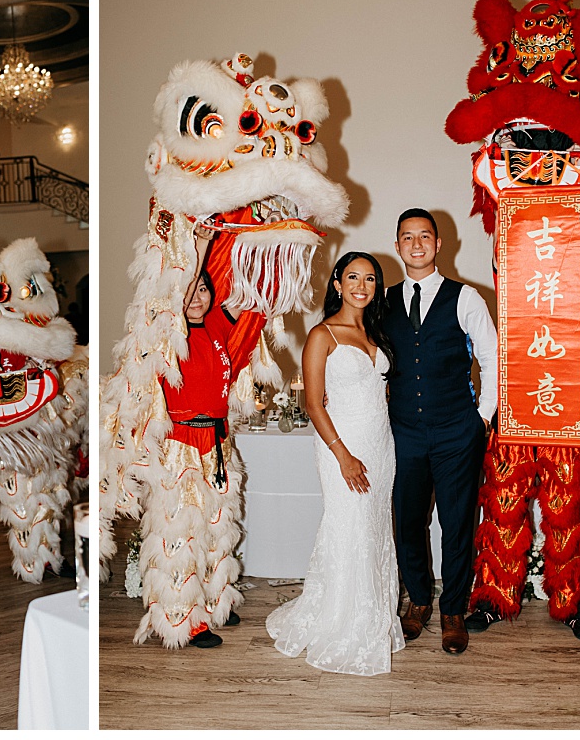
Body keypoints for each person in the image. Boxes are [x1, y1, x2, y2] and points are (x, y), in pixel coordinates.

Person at [266, 252, 405, 675]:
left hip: (381, 445)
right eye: (352, 278)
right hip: (341, 448)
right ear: (338, 285)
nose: (361, 286)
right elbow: (312, 402)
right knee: (350, 526)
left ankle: (375, 617)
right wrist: (343, 455)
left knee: (376, 526)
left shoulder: (378, 333)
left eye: (369, 279)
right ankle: (344, 624)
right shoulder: (322, 334)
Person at [384, 208, 498, 655]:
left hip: (456, 431)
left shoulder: (465, 297)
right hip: (404, 433)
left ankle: (453, 609)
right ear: (397, 246)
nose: (416, 244)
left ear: (438, 244)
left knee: (456, 524)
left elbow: (491, 359)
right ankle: (418, 600)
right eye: (407, 237)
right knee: (408, 523)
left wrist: (481, 418)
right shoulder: (383, 300)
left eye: (424, 236)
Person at [137, 264, 255, 649]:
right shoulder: (167, 336)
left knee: (218, 529)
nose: (196, 298)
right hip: (179, 447)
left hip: (217, 445)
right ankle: (184, 621)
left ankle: (217, 603)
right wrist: (199, 243)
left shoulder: (219, 326)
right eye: (187, 291)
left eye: (203, 289)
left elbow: (251, 298)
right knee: (180, 536)